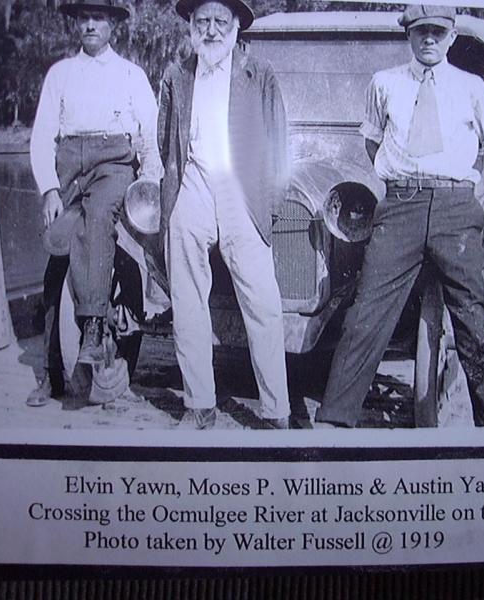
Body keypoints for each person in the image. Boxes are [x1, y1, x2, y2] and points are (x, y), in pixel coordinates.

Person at [315, 5, 484, 428]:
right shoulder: (384, 84)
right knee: (365, 313)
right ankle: (334, 422)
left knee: (472, 323)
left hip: (456, 209)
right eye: (420, 30)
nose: (429, 39)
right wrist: (398, 179)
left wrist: (473, 195)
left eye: (437, 32)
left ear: (451, 37)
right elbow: (372, 142)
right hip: (399, 209)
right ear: (408, 34)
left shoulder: (472, 87)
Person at [157, 0, 291, 429]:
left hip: (241, 186)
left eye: (220, 21)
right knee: (187, 294)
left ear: (236, 27)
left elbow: (278, 143)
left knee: (263, 301)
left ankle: (276, 413)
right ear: (191, 28)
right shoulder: (177, 75)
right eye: (202, 22)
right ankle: (200, 405)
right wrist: (175, 195)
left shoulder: (260, 73)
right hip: (193, 181)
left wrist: (266, 205)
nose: (211, 31)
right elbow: (165, 141)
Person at [27, 0, 162, 406]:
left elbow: (151, 133)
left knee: (100, 219)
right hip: (69, 166)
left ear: (113, 26)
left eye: (98, 18)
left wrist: (151, 180)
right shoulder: (60, 75)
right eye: (83, 18)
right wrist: (50, 189)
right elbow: (41, 136)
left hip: (113, 165)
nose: (90, 25)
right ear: (75, 24)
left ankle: (93, 328)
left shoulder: (131, 75)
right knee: (58, 258)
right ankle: (52, 378)